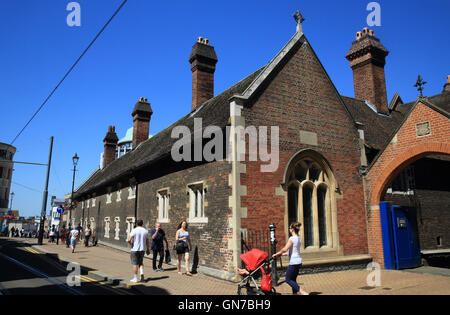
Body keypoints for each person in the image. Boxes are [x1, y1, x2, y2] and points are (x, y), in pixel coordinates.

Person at [272, 222, 309, 295]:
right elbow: (291, 251)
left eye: (289, 228)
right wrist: (282, 254)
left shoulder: (291, 239)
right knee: (293, 279)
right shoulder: (298, 238)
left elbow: (285, 249)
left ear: (292, 229)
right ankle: (294, 294)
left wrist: (276, 254)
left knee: (288, 279)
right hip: (298, 261)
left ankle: (302, 291)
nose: (289, 229)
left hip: (294, 262)